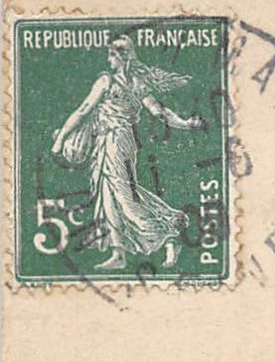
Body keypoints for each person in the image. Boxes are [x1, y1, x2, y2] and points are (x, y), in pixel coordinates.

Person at [50, 37, 208, 270]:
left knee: (124, 198)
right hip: (120, 141)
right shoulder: (138, 83)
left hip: (114, 141)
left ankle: (167, 234)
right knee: (111, 194)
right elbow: (160, 112)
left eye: (111, 55)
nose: (108, 59)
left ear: (121, 57)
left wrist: (60, 141)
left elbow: (83, 111)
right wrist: (184, 123)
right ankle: (119, 252)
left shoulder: (107, 81)